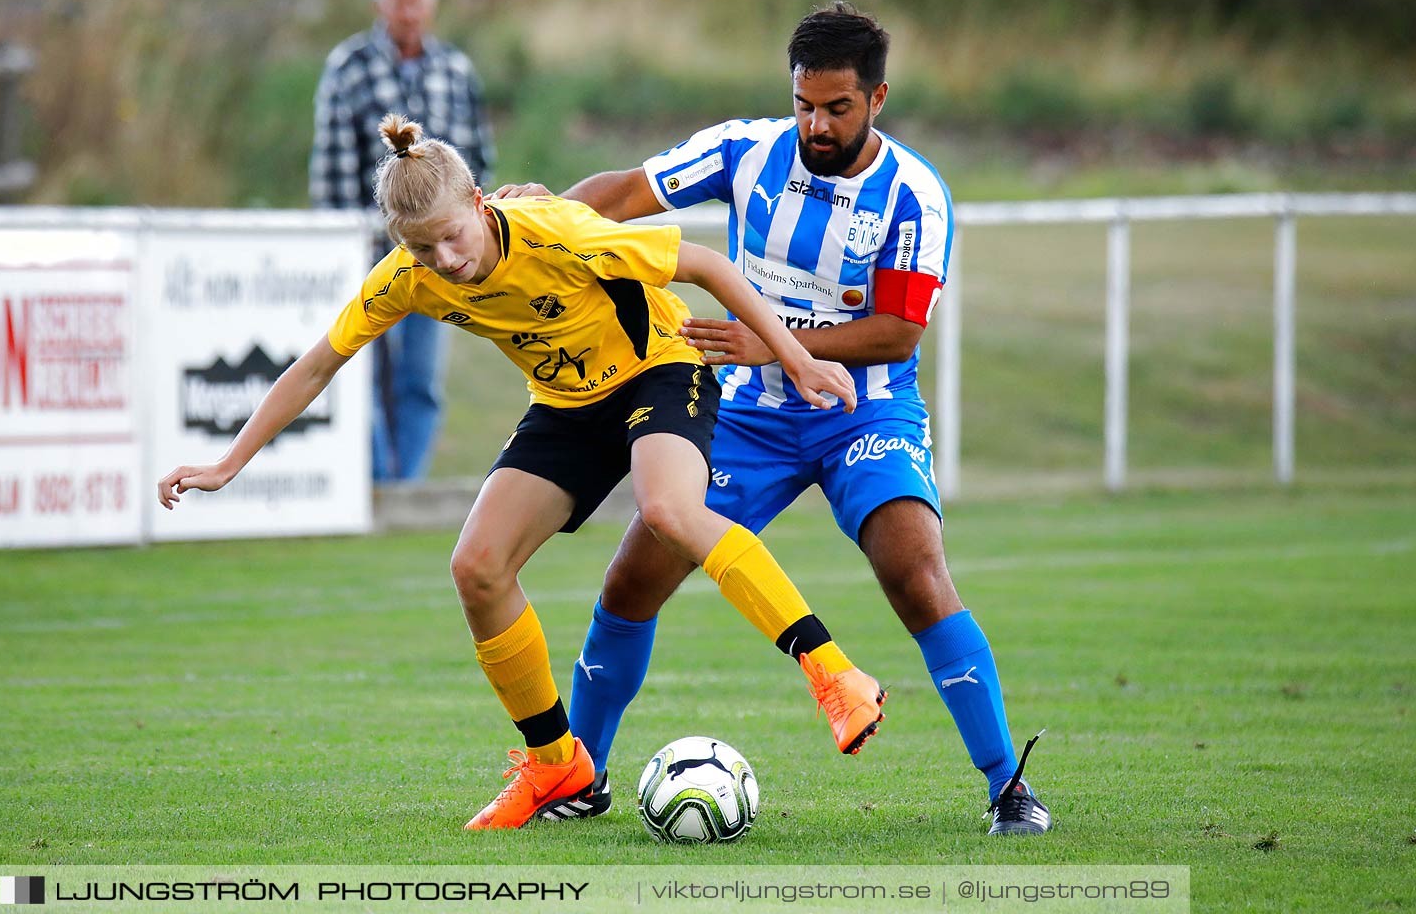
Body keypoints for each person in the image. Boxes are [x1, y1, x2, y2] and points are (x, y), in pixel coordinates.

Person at [161, 114, 885, 831]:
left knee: (667, 510)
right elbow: (317, 363)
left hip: (656, 371)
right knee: (476, 566)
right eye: (422, 245)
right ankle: (554, 763)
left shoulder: (558, 230)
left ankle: (833, 673)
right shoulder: (409, 278)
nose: (444, 258)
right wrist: (228, 464)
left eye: (454, 234)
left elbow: (705, 265)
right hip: (567, 404)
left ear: (482, 204)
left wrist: (796, 356)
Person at [495, 2, 1051, 835]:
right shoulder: (746, 152)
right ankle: (581, 777)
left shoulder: (914, 195)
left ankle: (1008, 787)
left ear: (877, 98)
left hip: (865, 411)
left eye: (837, 108)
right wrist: (531, 222)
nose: (816, 124)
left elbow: (899, 330)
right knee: (632, 579)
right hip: (750, 420)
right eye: (804, 105)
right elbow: (620, 193)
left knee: (915, 573)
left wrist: (772, 341)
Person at [310, 0, 494, 482]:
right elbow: (332, 165)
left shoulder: (455, 70)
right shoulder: (348, 66)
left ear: (431, 9)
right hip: (371, 250)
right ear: (380, 7)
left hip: (444, 254)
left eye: (417, 3)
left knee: (421, 376)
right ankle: (371, 477)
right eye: (399, 3)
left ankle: (405, 484)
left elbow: (478, 152)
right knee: (362, 366)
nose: (409, 14)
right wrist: (344, 238)